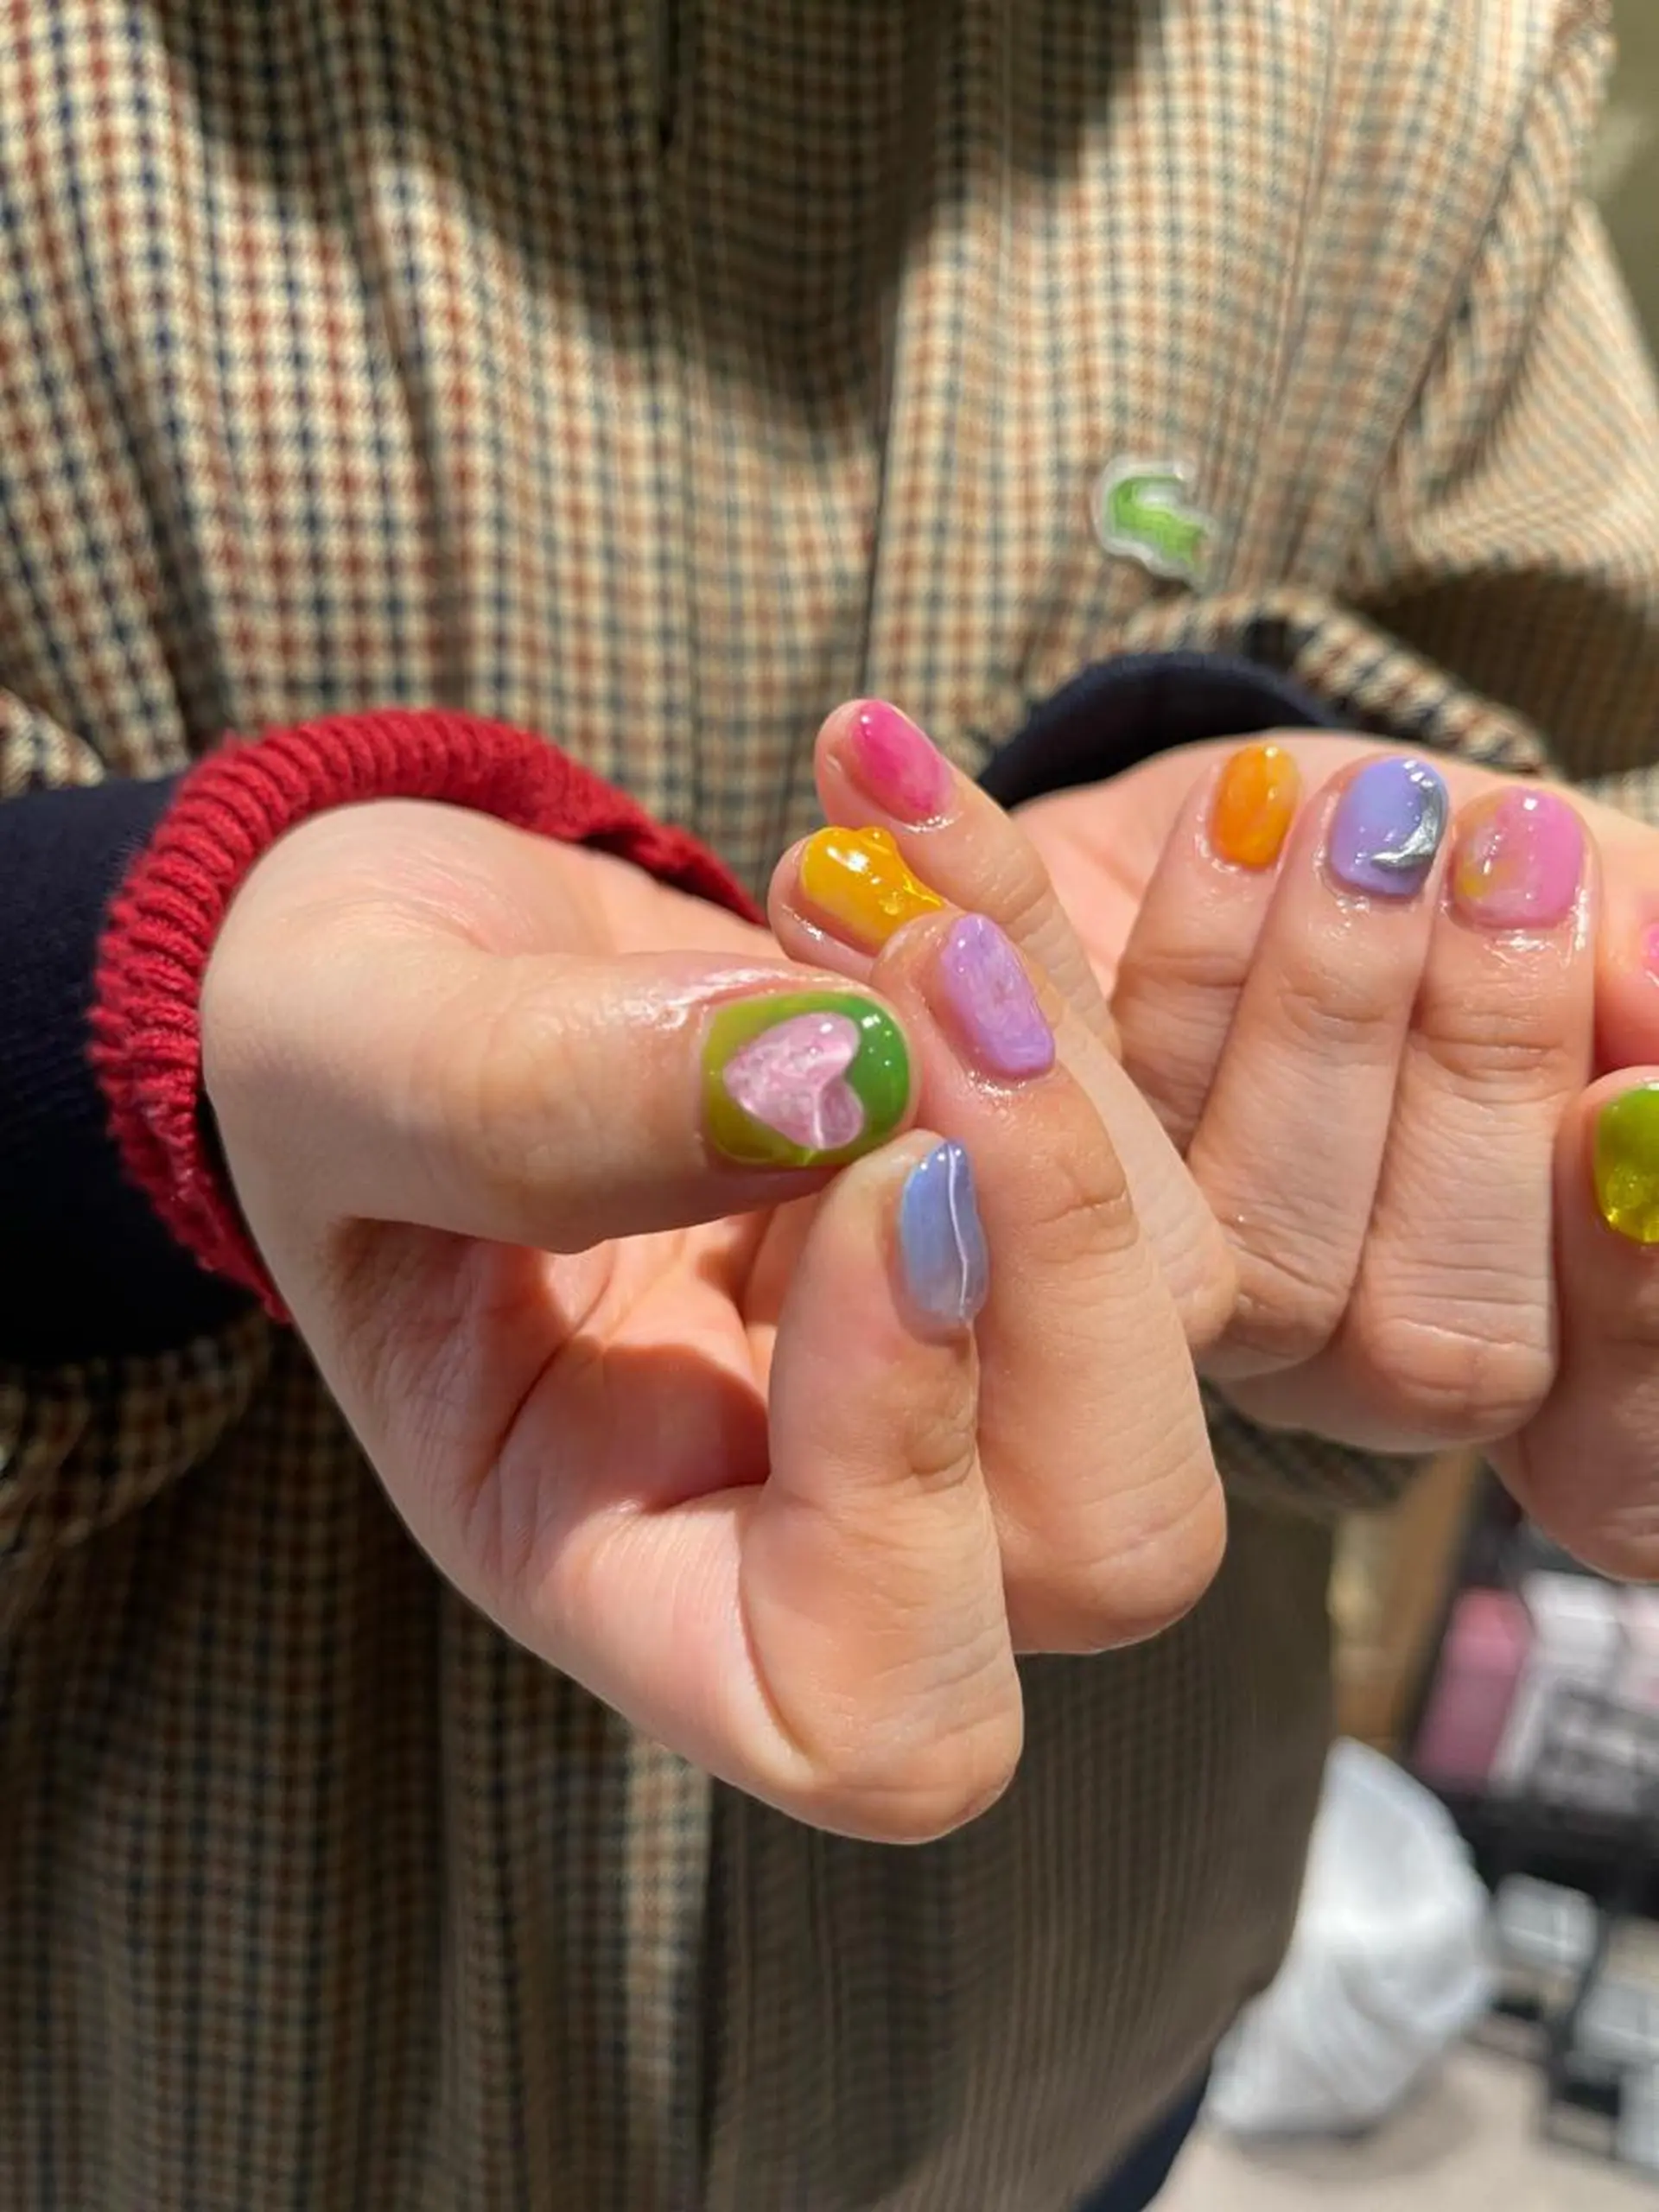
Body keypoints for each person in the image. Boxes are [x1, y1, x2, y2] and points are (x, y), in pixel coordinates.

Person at [1, 4, 1656, 2209]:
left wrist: (1280, 937)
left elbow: (1581, 749)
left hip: (1054, 2045)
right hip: (137, 2082)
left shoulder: (1431, 55)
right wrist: (100, 1007)